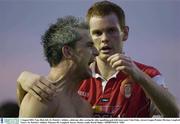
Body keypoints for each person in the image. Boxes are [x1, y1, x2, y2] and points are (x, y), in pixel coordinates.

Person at [17, 1, 179, 117]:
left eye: (111, 31)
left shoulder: (148, 74)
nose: (104, 39)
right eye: (97, 33)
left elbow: (175, 115)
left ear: (125, 33)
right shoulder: (77, 75)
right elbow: (34, 109)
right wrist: (21, 81)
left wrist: (140, 77)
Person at [18, 16, 98, 117]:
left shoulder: (85, 107)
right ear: (68, 52)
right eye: (89, 45)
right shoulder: (41, 99)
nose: (97, 52)